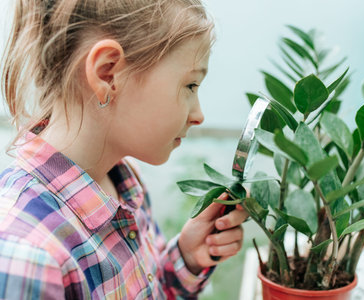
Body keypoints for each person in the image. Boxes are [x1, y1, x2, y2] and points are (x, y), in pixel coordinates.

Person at [0, 0, 248, 299]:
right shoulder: (28, 253)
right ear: (108, 73)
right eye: (190, 86)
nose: (198, 115)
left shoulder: (124, 180)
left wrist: (187, 257)